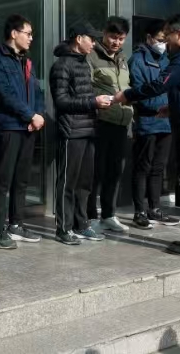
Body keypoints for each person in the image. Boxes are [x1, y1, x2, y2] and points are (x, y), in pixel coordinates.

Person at [115, 13, 180, 257]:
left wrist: (127, 95)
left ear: (179, 34)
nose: (166, 42)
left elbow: (159, 84)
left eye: (168, 36)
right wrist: (173, 108)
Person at [0, 14, 46, 249]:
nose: (31, 38)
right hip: (8, 127)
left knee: (21, 180)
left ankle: (16, 224)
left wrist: (38, 115)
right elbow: (5, 95)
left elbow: (37, 91)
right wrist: (30, 115)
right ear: (14, 33)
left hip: (28, 127)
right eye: (28, 33)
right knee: (3, 180)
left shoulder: (26, 61)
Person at [49, 22, 111, 245]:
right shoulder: (61, 65)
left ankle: (81, 224)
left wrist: (98, 103)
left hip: (88, 130)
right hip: (71, 131)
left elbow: (83, 95)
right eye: (91, 39)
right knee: (67, 182)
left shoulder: (83, 63)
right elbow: (61, 101)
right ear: (78, 38)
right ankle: (63, 228)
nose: (94, 44)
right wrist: (93, 102)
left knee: (85, 183)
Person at [129, 19, 180, 229]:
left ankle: (155, 209)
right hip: (147, 121)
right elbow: (140, 93)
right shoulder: (137, 60)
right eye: (160, 39)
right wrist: (164, 105)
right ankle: (139, 211)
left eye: (165, 40)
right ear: (149, 38)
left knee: (158, 168)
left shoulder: (168, 60)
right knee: (143, 167)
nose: (163, 44)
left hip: (166, 123)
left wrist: (171, 106)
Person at [88, 16, 134, 233]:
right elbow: (86, 88)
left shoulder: (123, 59)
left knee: (115, 172)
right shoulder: (92, 56)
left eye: (121, 38)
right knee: (96, 171)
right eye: (113, 37)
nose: (116, 42)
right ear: (104, 34)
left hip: (122, 122)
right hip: (101, 121)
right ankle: (90, 216)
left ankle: (108, 215)